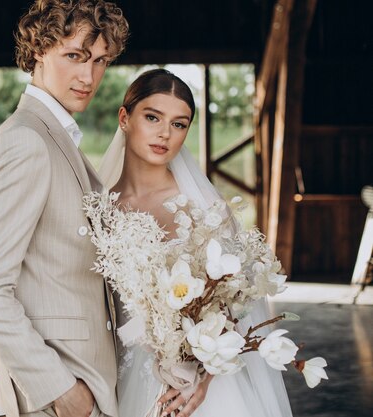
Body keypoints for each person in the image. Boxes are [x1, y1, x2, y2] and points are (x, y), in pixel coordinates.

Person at [0, 1, 129, 417]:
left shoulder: (57, 136)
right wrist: (60, 389)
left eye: (100, 61)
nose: (88, 76)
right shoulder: (25, 141)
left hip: (91, 382)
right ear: (38, 51)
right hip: (58, 399)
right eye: (74, 56)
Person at [98, 68, 294, 417]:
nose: (165, 134)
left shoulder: (201, 207)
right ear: (124, 117)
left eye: (179, 124)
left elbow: (238, 302)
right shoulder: (100, 208)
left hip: (204, 388)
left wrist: (204, 373)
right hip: (124, 375)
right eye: (153, 117)